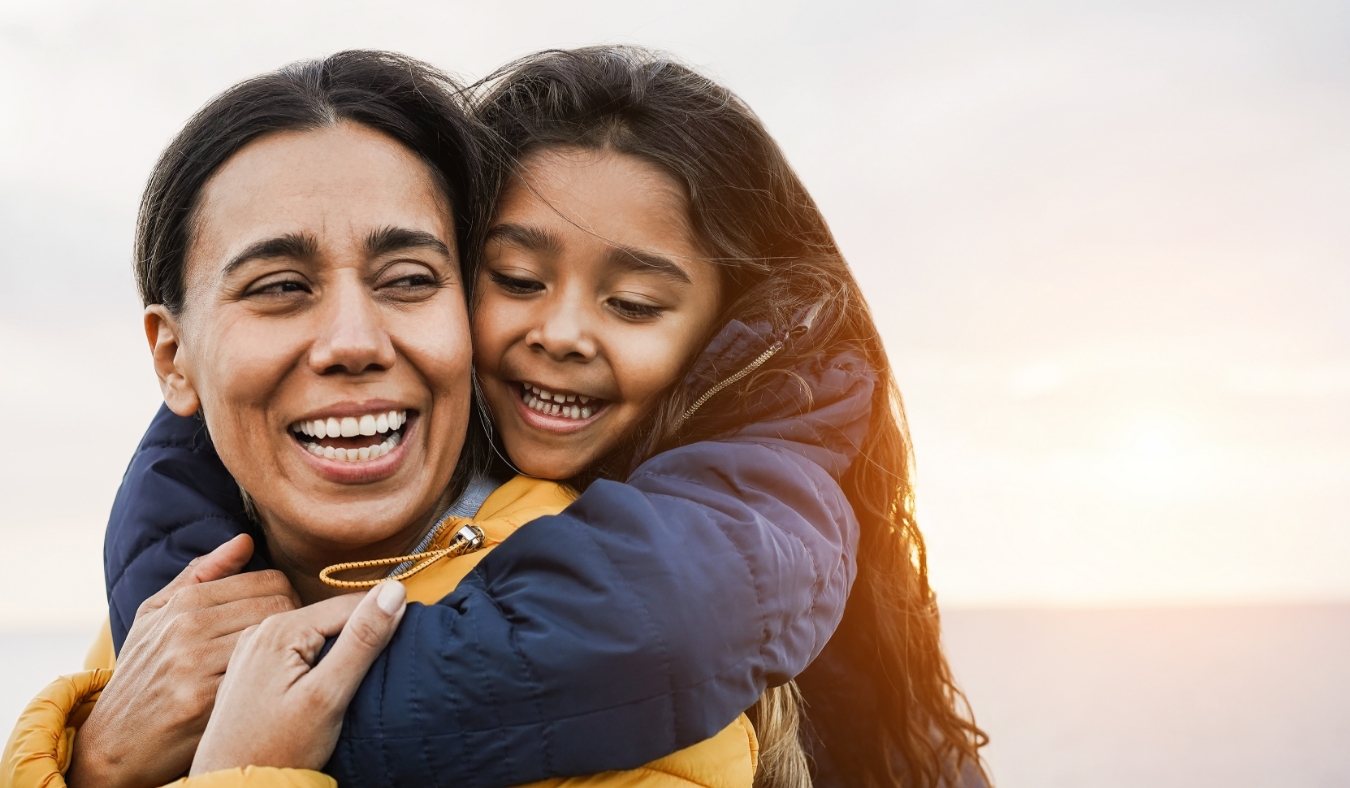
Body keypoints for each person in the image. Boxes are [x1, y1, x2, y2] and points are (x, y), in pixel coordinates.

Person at [1, 51, 867, 787]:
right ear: (173, 356)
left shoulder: (632, 686)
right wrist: (95, 756)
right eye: (278, 289)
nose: (351, 341)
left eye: (410, 278)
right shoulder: (165, 627)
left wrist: (246, 769)